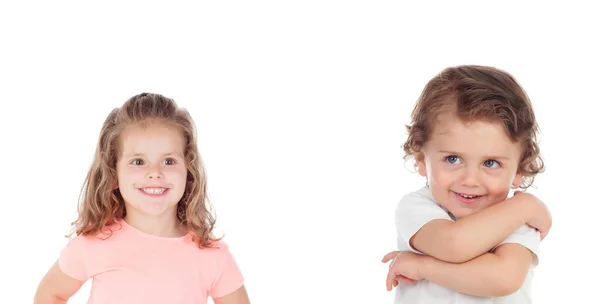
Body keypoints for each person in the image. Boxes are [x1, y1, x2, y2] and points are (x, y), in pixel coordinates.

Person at [34, 93, 250, 304]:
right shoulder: (93, 245)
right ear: (113, 173)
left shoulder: (212, 256)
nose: (155, 172)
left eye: (168, 161)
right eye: (138, 162)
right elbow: (50, 295)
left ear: (189, 170)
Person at [382, 65, 552, 303]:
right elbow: (452, 244)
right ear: (422, 160)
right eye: (453, 159)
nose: (470, 180)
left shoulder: (515, 216)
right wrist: (527, 207)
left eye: (491, 163)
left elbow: (504, 278)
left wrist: (423, 266)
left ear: (519, 169)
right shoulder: (416, 207)